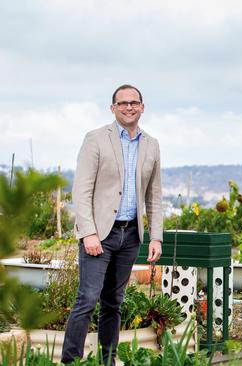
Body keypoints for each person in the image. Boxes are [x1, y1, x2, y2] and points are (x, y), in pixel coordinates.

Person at [62, 84, 163, 365]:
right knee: (87, 299)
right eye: (122, 103)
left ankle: (108, 360)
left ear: (142, 107)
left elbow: (154, 194)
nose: (128, 107)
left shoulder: (151, 144)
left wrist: (156, 237)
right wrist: (88, 233)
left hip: (130, 234)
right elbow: (81, 191)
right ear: (113, 108)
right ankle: (70, 361)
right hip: (99, 236)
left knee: (114, 302)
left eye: (134, 103)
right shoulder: (95, 139)